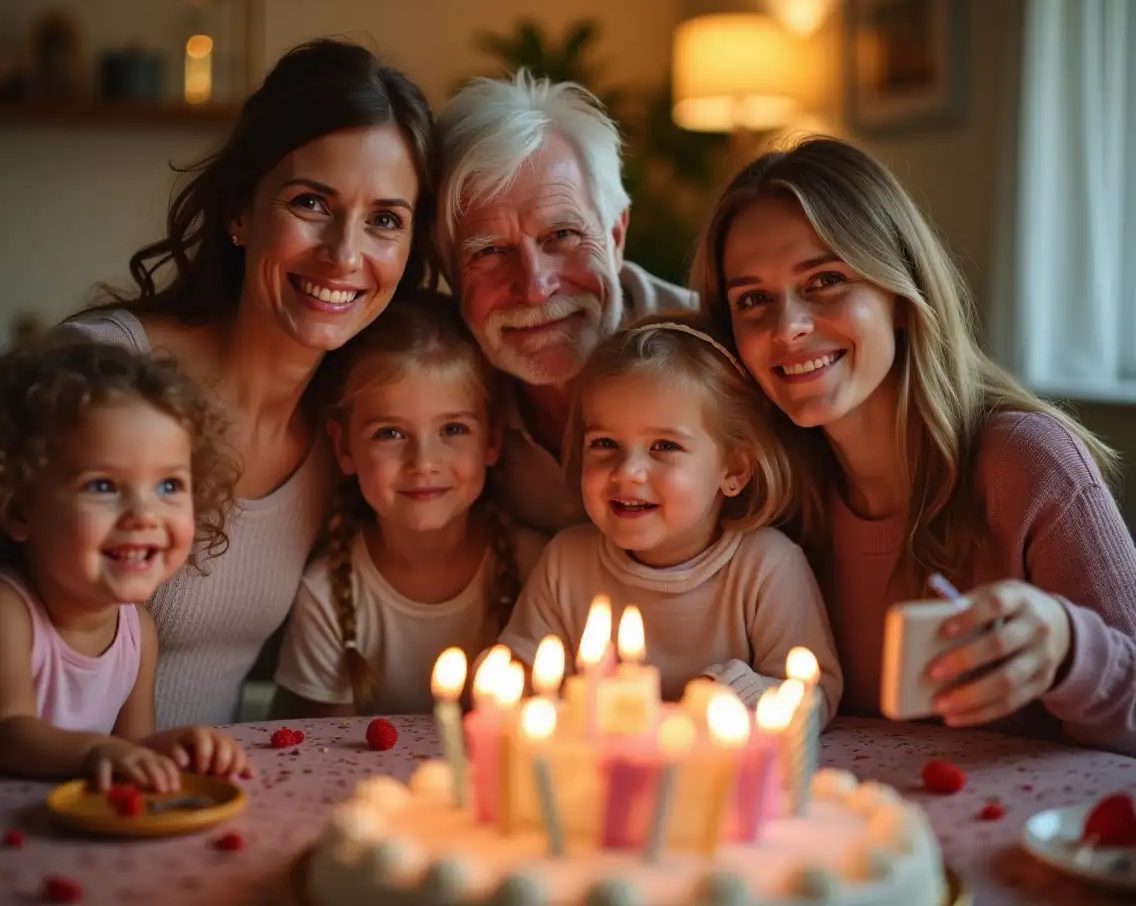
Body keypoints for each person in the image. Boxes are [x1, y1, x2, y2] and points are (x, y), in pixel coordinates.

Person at [0, 39, 440, 728]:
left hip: (176, 810)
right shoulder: (101, 372)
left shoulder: (354, 432)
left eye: (385, 221)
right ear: (239, 212)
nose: (344, 254)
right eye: (311, 203)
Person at [693, 135, 1136, 753]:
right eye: (753, 300)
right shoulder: (768, 498)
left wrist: (1068, 650)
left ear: (900, 296)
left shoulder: (1028, 464)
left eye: (824, 279)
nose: (787, 327)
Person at [0, 341, 251, 796]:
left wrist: (172, 748)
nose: (144, 515)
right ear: (18, 509)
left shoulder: (136, 631)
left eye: (169, 484)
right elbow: (8, 732)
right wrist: (96, 751)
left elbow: (131, 749)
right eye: (103, 486)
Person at [498, 314, 843, 717]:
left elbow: (817, 695)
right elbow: (517, 673)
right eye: (605, 443)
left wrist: (737, 694)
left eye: (664, 446)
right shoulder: (565, 562)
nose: (628, 471)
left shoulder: (767, 566)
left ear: (733, 470)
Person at [436, 70, 699, 536]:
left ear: (616, 237)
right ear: (450, 274)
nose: (536, 288)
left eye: (562, 235)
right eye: (489, 252)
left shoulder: (720, 353)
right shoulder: (433, 398)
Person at [270, 291, 547, 717]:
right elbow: (319, 758)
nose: (423, 463)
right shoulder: (327, 594)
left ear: (491, 439)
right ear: (344, 447)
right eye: (390, 434)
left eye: (453, 429)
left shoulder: (538, 570)